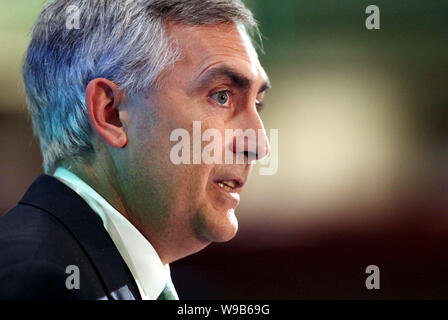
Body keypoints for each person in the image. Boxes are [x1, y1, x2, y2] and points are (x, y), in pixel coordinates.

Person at [0, 0, 270, 300]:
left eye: (257, 104)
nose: (259, 145)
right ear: (111, 114)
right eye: (222, 97)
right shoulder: (40, 283)